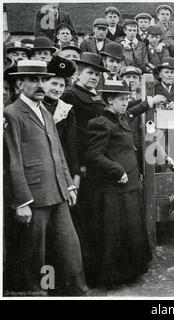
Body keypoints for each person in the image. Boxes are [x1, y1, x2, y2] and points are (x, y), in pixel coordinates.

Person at [4, 59, 87, 295]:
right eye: (33, 80)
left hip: (58, 192)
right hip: (33, 197)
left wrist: (69, 186)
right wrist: (22, 202)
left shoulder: (46, 111)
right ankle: (34, 295)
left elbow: (57, 152)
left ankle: (77, 293)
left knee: (70, 249)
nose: (40, 85)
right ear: (20, 84)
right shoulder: (11, 114)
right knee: (34, 256)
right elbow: (13, 161)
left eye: (42, 79)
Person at [86, 80, 152, 287]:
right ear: (110, 100)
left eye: (126, 99)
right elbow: (94, 155)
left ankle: (131, 272)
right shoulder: (100, 123)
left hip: (129, 185)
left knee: (130, 229)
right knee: (114, 232)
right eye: (121, 100)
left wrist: (149, 102)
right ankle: (112, 277)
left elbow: (133, 112)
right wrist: (117, 170)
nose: (125, 103)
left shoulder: (121, 118)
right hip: (114, 187)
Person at [61, 53, 108, 281]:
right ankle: (85, 271)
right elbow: (72, 137)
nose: (94, 77)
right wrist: (77, 168)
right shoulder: (71, 95)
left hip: (97, 165)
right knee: (84, 218)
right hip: (84, 167)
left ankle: (97, 269)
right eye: (90, 72)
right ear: (78, 74)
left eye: (97, 74)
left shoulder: (94, 96)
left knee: (97, 217)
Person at [42, 55, 80, 187]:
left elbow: (71, 143)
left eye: (61, 85)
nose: (57, 89)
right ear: (43, 83)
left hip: (61, 165)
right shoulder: (34, 106)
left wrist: (76, 173)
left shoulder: (66, 110)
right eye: (53, 83)